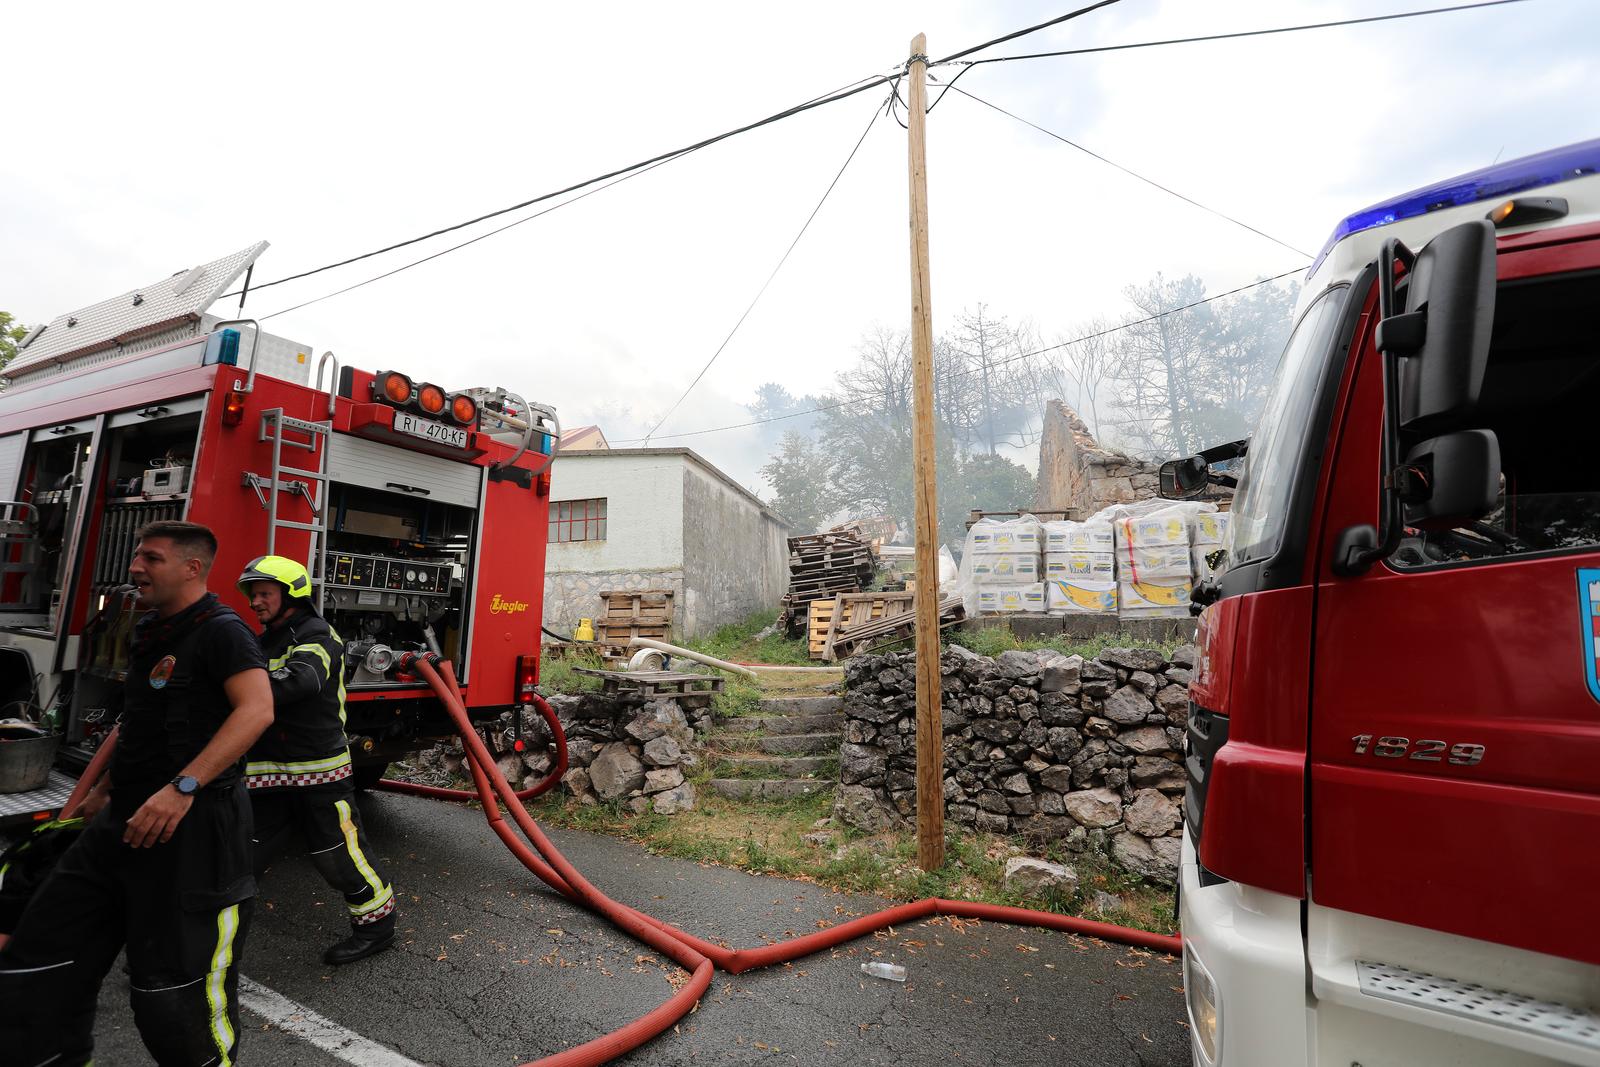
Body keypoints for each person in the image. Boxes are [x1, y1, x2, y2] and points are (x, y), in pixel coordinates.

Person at [0, 520, 273, 1066]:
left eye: (151, 558)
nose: (135, 567)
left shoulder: (223, 632)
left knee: (172, 1001)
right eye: (137, 556)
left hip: (192, 827)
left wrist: (182, 787)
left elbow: (257, 710)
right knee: (40, 961)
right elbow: (143, 719)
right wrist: (103, 788)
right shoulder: (152, 629)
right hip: (121, 817)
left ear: (192, 568)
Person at [238, 554, 397, 965]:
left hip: (318, 772)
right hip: (266, 773)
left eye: (264, 593)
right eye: (253, 594)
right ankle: (201, 940)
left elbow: (301, 680)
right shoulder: (262, 641)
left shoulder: (317, 635)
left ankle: (377, 927)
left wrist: (236, 688)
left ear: (291, 594)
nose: (255, 602)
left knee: (338, 855)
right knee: (240, 856)